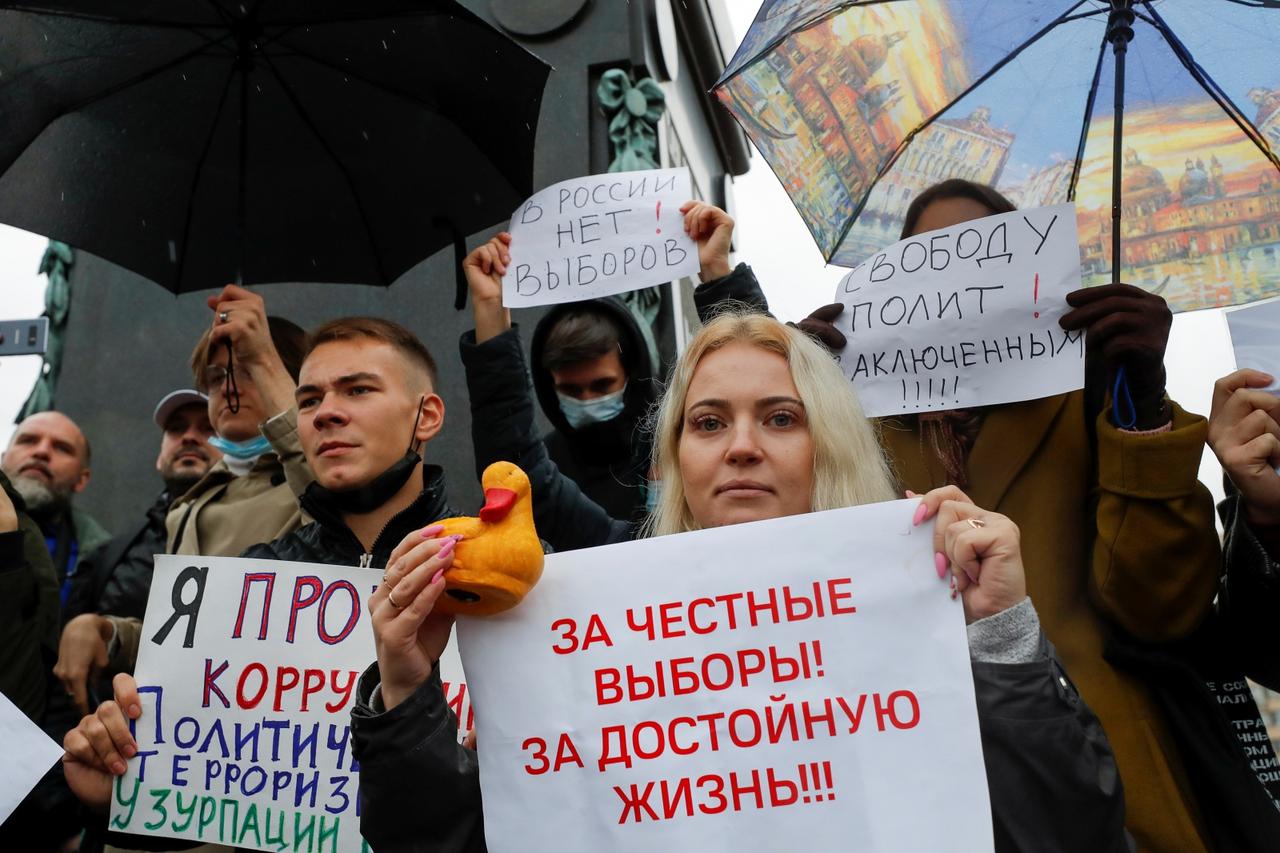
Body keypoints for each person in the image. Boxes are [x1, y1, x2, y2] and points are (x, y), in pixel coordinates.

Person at [359, 308, 1127, 852]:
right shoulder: (582, 647)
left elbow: (1070, 831)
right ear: (677, 460)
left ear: (827, 444)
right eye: (709, 422)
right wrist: (407, 696)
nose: (743, 447)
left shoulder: (941, 608)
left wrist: (1001, 633)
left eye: (782, 418)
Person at [744, 179, 1223, 852]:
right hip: (907, 766)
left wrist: (1141, 395)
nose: (953, 285)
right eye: (928, 259)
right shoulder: (853, 419)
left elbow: (1159, 604)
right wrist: (789, 403)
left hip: (1091, 767)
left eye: (979, 258)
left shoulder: (1084, 395)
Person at [60, 317, 459, 836]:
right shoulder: (245, 582)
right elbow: (212, 800)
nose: (326, 414)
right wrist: (127, 788)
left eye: (359, 390)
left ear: (425, 415)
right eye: (309, 400)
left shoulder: (503, 577)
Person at [96, 286, 311, 681]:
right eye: (215, 378)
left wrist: (263, 352)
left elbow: (332, 497)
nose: (229, 387)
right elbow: (190, 636)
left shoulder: (309, 482)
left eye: (248, 370)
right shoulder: (188, 505)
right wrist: (113, 636)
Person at [511, 201, 746, 523]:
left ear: (629, 373)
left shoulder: (681, 438)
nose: (588, 401)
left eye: (602, 385)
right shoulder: (539, 468)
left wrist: (718, 274)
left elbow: (750, 375)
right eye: (571, 391)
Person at [56, 389, 220, 717]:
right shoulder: (109, 556)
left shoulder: (269, 539)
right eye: (176, 429)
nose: (189, 437)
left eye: (208, 428)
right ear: (160, 455)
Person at [2, 410, 110, 612]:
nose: (41, 451)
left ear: (82, 479)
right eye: (28, 440)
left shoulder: (102, 560)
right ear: (3, 458)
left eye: (62, 448)